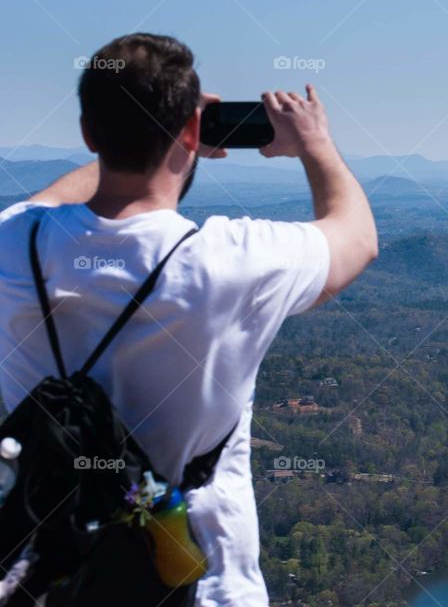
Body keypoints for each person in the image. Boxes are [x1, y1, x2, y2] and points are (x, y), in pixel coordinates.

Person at [0, 33, 378, 605]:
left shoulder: (13, 245)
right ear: (193, 132)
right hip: (200, 583)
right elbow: (357, 238)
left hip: (46, 575)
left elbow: (45, 204)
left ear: (87, 133)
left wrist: (146, 132)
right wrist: (314, 144)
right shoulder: (229, 262)